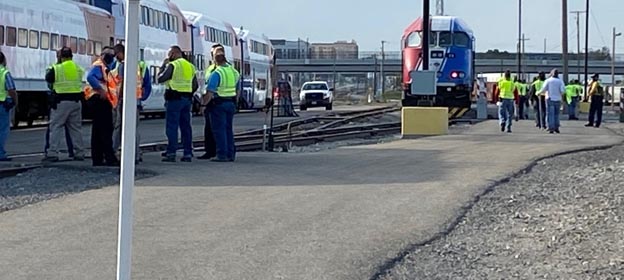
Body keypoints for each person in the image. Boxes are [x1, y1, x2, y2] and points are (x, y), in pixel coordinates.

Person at [43, 47, 85, 162]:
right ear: (72, 56)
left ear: (61, 57)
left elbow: (49, 79)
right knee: (76, 129)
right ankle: (79, 153)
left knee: (56, 127)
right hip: (76, 102)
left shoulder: (57, 68)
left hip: (61, 101)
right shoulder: (78, 68)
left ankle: (52, 153)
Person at [111, 44, 152, 164]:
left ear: (119, 53)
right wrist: (141, 98)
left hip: (124, 100)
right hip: (136, 101)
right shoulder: (141, 65)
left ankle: (114, 152)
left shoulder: (122, 65)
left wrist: (117, 99)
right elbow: (147, 84)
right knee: (134, 129)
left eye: (115, 54)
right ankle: (135, 155)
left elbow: (121, 83)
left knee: (119, 127)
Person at [157, 46, 198, 162]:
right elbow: (195, 85)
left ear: (174, 53)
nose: (168, 56)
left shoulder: (173, 65)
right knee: (186, 127)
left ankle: (171, 152)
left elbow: (160, 79)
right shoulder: (190, 66)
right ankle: (188, 153)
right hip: (187, 100)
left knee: (172, 127)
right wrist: (187, 92)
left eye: (169, 54)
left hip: (174, 99)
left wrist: (163, 66)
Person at [84, 47, 120, 166]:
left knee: (98, 131)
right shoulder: (99, 66)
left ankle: (98, 158)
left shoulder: (106, 67)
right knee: (105, 130)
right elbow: (90, 77)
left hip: (101, 101)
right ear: (102, 55)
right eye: (108, 54)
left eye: (112, 54)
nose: (110, 57)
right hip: (99, 100)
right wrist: (101, 91)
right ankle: (109, 158)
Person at [205, 46, 240, 162]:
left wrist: (203, 104)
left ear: (215, 60)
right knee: (228, 129)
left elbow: (210, 91)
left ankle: (221, 154)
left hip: (218, 104)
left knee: (219, 130)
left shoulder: (217, 73)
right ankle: (230, 154)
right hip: (230, 103)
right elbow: (238, 89)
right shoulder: (233, 72)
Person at [44, 49, 74, 158]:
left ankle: (51, 152)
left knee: (54, 128)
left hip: (58, 100)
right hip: (74, 100)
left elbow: (50, 84)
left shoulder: (54, 68)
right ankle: (75, 152)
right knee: (73, 129)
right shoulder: (75, 67)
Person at [197, 44, 222, 160]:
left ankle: (214, 152)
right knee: (220, 129)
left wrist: (203, 104)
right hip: (223, 102)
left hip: (215, 102)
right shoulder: (229, 69)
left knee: (213, 129)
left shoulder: (216, 70)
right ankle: (221, 152)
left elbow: (210, 89)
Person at [0, 51, 17, 162]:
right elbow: (11, 89)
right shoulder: (4, 73)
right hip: (2, 104)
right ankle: (0, 153)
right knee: (2, 130)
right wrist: (15, 101)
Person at [537, 69, 566, 134]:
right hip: (558, 99)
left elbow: (543, 89)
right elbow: (563, 91)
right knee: (556, 114)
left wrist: (538, 93)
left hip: (549, 98)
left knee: (550, 114)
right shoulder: (560, 81)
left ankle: (550, 127)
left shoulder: (548, 81)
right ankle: (556, 127)